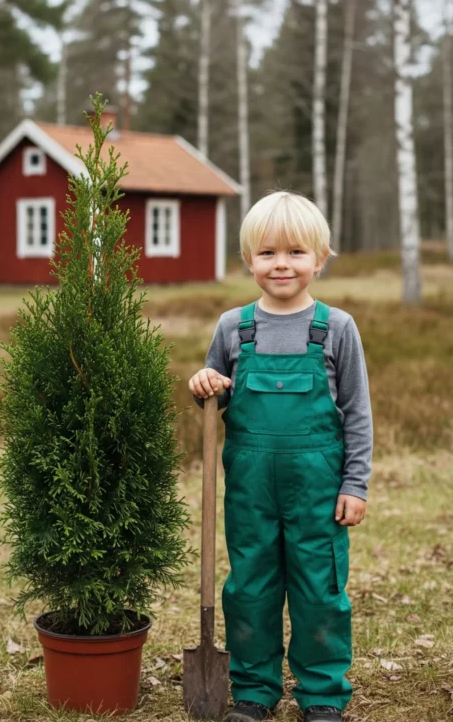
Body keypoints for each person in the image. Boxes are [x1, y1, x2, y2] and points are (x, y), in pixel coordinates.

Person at [188, 190, 373, 722]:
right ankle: (254, 689)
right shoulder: (234, 326)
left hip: (318, 488)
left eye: (296, 252)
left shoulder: (336, 328)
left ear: (320, 257)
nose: (282, 264)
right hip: (251, 489)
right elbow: (214, 392)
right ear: (248, 261)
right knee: (251, 587)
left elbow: (357, 413)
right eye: (267, 253)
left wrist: (354, 484)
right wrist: (203, 382)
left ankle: (321, 693)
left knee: (320, 589)